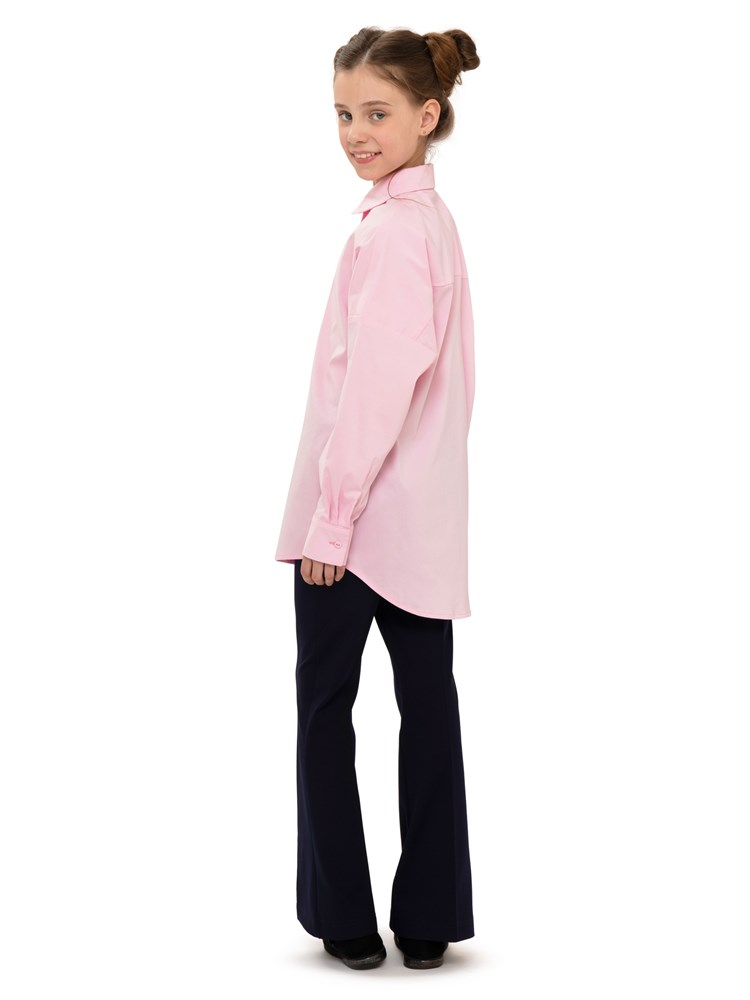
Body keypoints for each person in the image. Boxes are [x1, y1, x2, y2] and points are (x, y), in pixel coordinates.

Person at [274, 25, 481, 971]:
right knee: (428, 710)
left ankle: (345, 918)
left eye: (377, 113)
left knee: (327, 711)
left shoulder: (394, 233)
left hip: (353, 528)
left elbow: (376, 388)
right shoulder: (427, 222)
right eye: (343, 114)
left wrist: (333, 517)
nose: (356, 133)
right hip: (421, 526)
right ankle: (429, 917)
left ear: (427, 115)